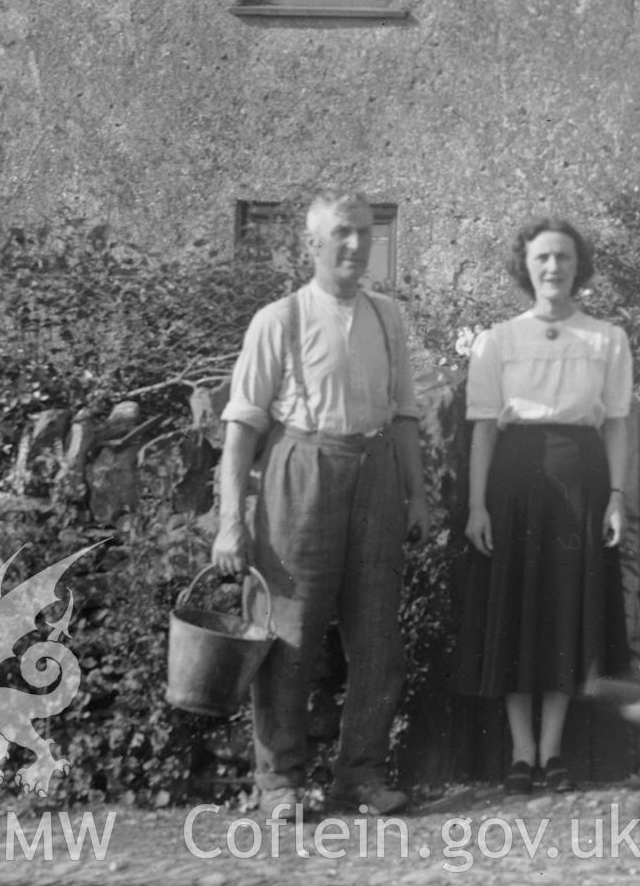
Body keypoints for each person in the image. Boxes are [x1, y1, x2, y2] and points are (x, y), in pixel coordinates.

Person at [211, 189, 430, 820]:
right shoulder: (278, 319)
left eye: (365, 232)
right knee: (288, 633)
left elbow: (407, 415)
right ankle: (278, 781)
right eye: (342, 233)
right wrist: (231, 523)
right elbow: (242, 429)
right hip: (300, 473)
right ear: (313, 244)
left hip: (376, 473)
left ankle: (359, 776)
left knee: (377, 637)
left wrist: (417, 497)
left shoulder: (389, 316)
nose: (356, 245)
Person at [451, 217, 632, 795]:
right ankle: (519, 753)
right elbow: (482, 429)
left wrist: (616, 499)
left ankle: (552, 752)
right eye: (542, 259)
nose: (553, 268)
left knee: (562, 610)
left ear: (579, 266)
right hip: (514, 480)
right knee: (515, 606)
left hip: (581, 479)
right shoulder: (497, 341)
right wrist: (477, 505)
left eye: (563, 257)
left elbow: (619, 426)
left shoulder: (608, 338)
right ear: (525, 268)